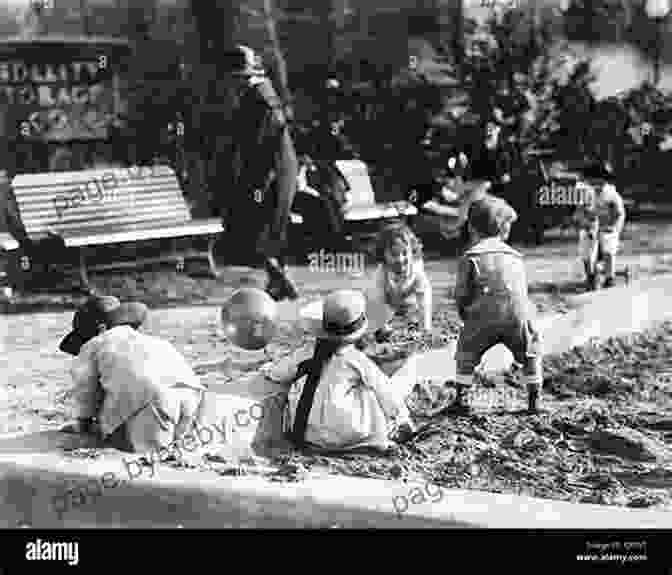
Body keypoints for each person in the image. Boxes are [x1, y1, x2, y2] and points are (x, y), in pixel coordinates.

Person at [59, 295, 206, 453]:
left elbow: (85, 391)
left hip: (154, 401)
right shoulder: (155, 342)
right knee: (179, 439)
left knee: (143, 448)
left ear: (101, 329)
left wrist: (83, 423)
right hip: (193, 398)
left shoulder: (94, 344)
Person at [283, 289, 415, 452]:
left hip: (308, 432)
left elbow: (279, 372)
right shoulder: (354, 358)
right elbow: (384, 391)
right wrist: (403, 419)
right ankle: (378, 436)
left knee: (299, 385)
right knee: (370, 388)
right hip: (344, 434)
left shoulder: (307, 350)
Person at [451, 196, 543, 414]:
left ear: (472, 228)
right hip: (518, 316)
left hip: (484, 317)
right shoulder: (516, 257)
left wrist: (465, 313)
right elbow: (522, 293)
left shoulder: (471, 256)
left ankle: (462, 400)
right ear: (504, 230)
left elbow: (462, 293)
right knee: (532, 351)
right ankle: (534, 399)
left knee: (465, 353)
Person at [221, 45, 299, 301]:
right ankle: (277, 281)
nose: (234, 84)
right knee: (270, 227)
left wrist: (257, 183)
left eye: (236, 78)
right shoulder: (261, 93)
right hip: (276, 169)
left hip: (271, 171)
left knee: (258, 225)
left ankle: (278, 278)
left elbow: (263, 142)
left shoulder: (258, 97)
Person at [369, 224, 433, 343]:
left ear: (412, 252)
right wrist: (383, 327)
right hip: (388, 300)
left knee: (414, 317)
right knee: (376, 323)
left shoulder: (417, 270)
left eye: (404, 253)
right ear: (383, 255)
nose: (400, 259)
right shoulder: (381, 273)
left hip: (408, 300)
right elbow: (377, 301)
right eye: (394, 254)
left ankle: (411, 322)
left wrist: (426, 329)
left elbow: (424, 299)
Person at [575, 161, 626, 290]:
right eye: (593, 181)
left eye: (600, 181)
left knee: (608, 245)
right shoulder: (584, 192)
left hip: (608, 224)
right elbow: (579, 212)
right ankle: (590, 275)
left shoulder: (611, 194)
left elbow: (619, 214)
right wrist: (586, 225)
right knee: (585, 244)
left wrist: (612, 227)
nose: (596, 184)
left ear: (605, 181)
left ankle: (610, 277)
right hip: (591, 223)